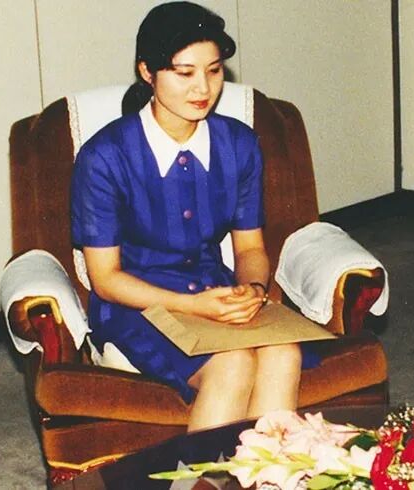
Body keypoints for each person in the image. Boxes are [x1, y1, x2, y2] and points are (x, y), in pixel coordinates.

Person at [71, 1, 319, 431]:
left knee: (284, 354)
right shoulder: (104, 157)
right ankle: (196, 471)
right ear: (147, 72)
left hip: (214, 290)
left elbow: (250, 248)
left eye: (214, 70)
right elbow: (105, 278)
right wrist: (192, 305)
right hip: (137, 306)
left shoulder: (239, 144)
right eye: (184, 73)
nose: (202, 88)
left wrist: (253, 289)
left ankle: (266, 467)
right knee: (233, 365)